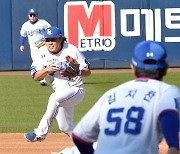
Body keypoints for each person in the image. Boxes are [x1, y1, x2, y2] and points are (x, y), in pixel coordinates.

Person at [72, 40, 180, 154]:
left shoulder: (111, 94)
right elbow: (167, 114)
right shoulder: (167, 91)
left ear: (133, 67)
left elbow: (79, 136)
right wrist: (174, 147)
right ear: (166, 68)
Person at [24, 26, 91, 142]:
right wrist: (47, 70)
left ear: (61, 39)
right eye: (47, 40)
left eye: (53, 39)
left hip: (76, 89)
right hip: (60, 92)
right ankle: (91, 146)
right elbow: (35, 76)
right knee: (66, 127)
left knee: (54, 99)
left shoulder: (71, 50)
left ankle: (40, 133)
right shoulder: (41, 53)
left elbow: (88, 71)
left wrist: (78, 72)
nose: (50, 43)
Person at [20, 8, 51, 86]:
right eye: (31, 15)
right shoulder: (25, 25)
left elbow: (50, 30)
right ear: (28, 16)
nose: (32, 17)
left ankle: (53, 77)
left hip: (43, 45)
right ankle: (42, 79)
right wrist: (21, 45)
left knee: (46, 60)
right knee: (37, 62)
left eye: (34, 15)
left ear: (37, 15)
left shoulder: (43, 22)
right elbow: (23, 35)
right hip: (33, 47)